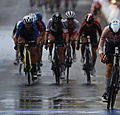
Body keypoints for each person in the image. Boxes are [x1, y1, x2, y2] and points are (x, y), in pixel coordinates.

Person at [98, 18, 120, 102]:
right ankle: (106, 92)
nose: (115, 36)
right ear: (110, 30)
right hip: (109, 44)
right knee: (109, 67)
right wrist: (102, 56)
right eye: (113, 33)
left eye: (117, 34)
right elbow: (100, 45)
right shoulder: (106, 30)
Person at [45, 12, 69, 78]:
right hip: (51, 32)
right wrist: (46, 42)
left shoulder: (62, 22)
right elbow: (46, 33)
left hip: (59, 34)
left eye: (57, 23)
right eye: (54, 23)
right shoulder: (50, 21)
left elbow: (66, 34)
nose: (55, 24)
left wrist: (66, 43)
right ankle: (50, 53)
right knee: (52, 40)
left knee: (61, 51)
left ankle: (62, 70)